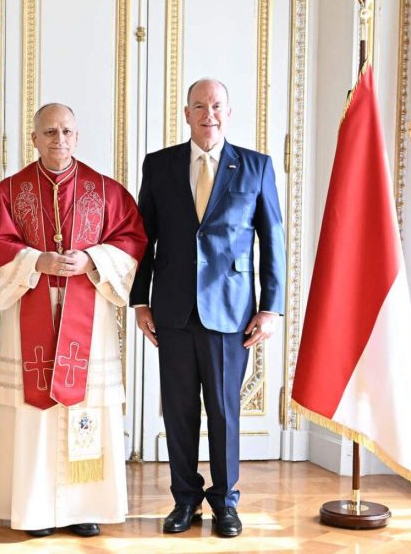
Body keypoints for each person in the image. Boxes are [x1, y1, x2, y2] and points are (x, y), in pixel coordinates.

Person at [0, 103, 147, 538]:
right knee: (34, 409)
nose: (60, 140)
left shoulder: (105, 191)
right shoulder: (10, 192)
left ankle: (82, 506)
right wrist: (39, 261)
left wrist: (90, 257)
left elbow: (132, 240)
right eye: (50, 132)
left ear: (78, 135)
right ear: (33, 138)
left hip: (88, 318)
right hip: (29, 307)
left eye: (67, 131)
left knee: (85, 408)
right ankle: (34, 507)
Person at [130, 79, 285, 537]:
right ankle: (185, 500)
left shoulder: (255, 167)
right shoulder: (159, 166)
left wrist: (271, 307)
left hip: (231, 311)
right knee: (178, 412)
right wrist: (140, 299)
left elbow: (272, 241)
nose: (208, 114)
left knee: (223, 411)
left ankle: (225, 501)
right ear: (186, 113)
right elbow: (144, 239)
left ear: (228, 112)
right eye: (200, 106)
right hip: (171, 311)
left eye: (216, 105)